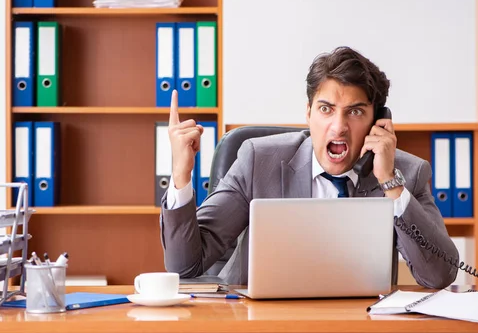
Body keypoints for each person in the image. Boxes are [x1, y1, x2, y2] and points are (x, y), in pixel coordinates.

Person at [160, 46, 458, 289]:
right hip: (256, 328)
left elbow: (440, 275)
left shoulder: (407, 173)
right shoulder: (257, 161)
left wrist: (390, 182)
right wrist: (180, 175)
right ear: (308, 113)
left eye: (355, 112)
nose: (338, 127)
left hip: (359, 331)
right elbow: (186, 265)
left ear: (377, 121)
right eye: (326, 109)